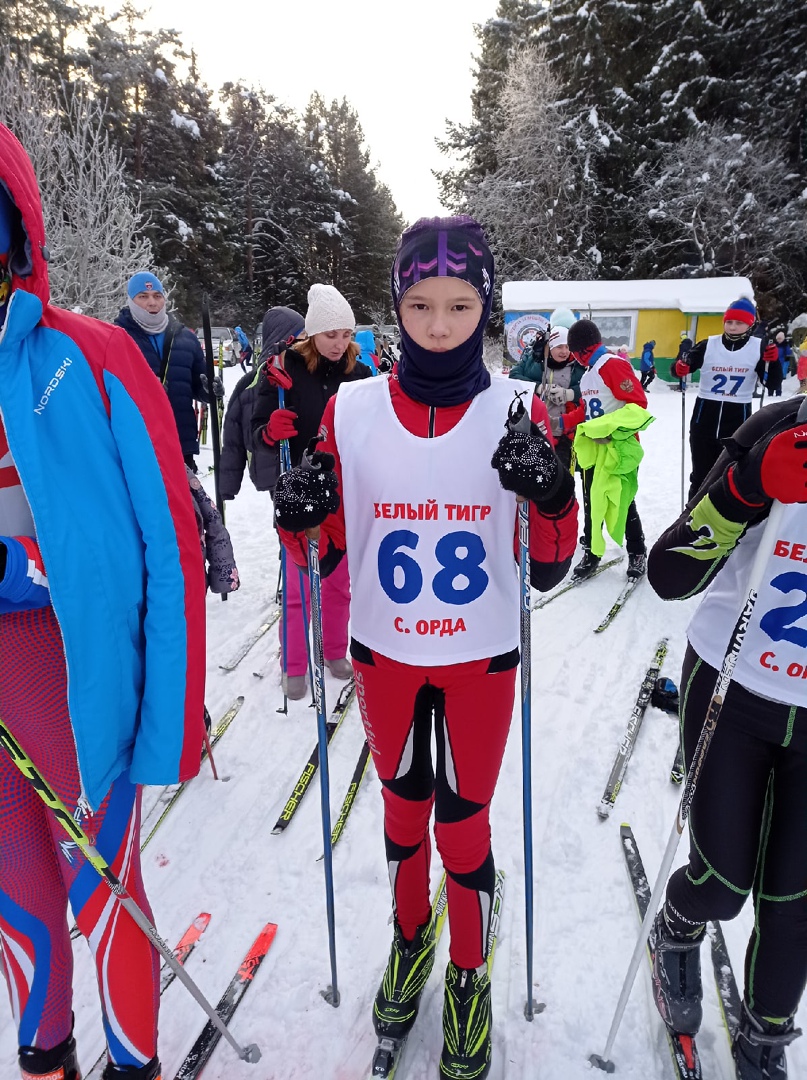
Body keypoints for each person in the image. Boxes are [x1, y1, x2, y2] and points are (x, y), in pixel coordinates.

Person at [272, 216, 578, 1079]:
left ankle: (469, 974)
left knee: (463, 823)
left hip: (480, 658)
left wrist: (552, 494)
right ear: (394, 307)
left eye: (458, 305)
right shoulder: (352, 408)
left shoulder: (517, 407)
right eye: (418, 305)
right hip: (386, 655)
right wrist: (298, 515)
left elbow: (548, 563)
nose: (438, 324)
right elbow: (324, 550)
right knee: (403, 813)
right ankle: (411, 940)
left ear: (485, 308)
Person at [0, 122, 205, 1080]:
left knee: (103, 889)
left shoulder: (88, 357)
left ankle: (133, 1066)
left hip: (67, 674)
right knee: (15, 895)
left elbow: (163, 542)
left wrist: (25, 564)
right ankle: (45, 1060)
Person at [646, 396, 807, 1080]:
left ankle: (764, 1043)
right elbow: (669, 573)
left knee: (793, 904)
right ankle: (676, 926)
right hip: (732, 689)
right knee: (720, 884)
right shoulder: (777, 428)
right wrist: (744, 487)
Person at [251, 284, 373, 699]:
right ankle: (294, 663)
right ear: (313, 333)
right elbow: (255, 430)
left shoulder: (359, 374)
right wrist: (270, 431)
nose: (339, 343)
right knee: (300, 585)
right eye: (331, 334)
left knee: (337, 583)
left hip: (342, 492)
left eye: (346, 334)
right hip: (299, 492)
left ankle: (334, 649)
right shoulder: (284, 370)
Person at [551, 318, 651, 580]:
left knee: (622, 500)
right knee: (591, 501)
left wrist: (611, 432)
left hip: (618, 450)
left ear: (581, 350)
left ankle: (637, 551)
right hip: (592, 450)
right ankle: (592, 551)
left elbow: (638, 405)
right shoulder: (588, 374)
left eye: (573, 352)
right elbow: (587, 411)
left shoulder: (612, 365)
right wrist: (559, 422)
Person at [672, 298, 779, 499]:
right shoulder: (708, 345)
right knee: (700, 476)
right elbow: (682, 366)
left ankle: (725, 515)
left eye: (739, 323)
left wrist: (773, 363)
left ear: (750, 324)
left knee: (731, 477)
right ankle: (691, 514)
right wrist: (680, 368)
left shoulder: (758, 347)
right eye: (729, 322)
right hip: (704, 420)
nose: (733, 327)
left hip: (738, 423)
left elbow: (772, 383)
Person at [115, 273, 222, 472]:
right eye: (143, 296)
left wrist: (210, 391)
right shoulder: (116, 338)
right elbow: (106, 392)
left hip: (180, 440)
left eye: (157, 296)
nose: (152, 302)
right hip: (137, 442)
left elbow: (197, 386)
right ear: (130, 300)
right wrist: (143, 391)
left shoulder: (186, 338)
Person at [219, 306, 305, 501]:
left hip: (305, 465)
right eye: (301, 337)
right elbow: (233, 438)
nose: (306, 343)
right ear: (284, 338)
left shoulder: (309, 372)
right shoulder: (251, 383)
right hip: (273, 471)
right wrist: (228, 485)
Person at [512, 325, 583, 473]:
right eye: (559, 347)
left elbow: (591, 386)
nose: (564, 351)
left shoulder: (578, 364)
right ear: (550, 347)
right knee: (535, 474)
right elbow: (514, 377)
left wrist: (570, 394)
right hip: (536, 428)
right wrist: (538, 388)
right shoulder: (534, 359)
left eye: (567, 347)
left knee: (562, 476)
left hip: (565, 432)